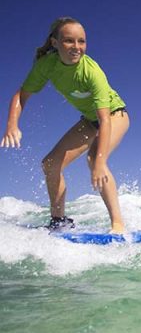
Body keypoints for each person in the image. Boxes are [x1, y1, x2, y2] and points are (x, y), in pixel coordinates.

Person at [1, 17, 129, 233]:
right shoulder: (46, 66)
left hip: (115, 116)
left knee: (94, 158)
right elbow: (22, 94)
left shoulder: (91, 71)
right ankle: (59, 220)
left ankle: (118, 224)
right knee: (50, 164)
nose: (77, 47)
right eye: (69, 41)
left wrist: (99, 163)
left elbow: (105, 119)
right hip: (89, 121)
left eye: (82, 41)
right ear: (55, 43)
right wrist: (12, 125)